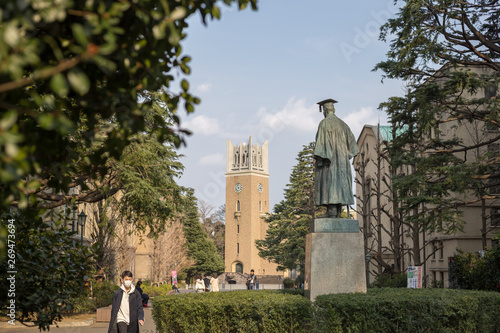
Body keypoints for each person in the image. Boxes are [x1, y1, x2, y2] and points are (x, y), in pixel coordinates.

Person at [314, 99, 359, 217]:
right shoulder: (343, 125)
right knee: (340, 183)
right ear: (333, 110)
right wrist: (344, 156)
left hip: (330, 162)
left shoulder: (324, 123)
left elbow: (321, 147)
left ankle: (331, 211)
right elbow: (354, 148)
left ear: (324, 110)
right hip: (342, 163)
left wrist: (320, 159)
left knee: (331, 182)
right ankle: (338, 211)